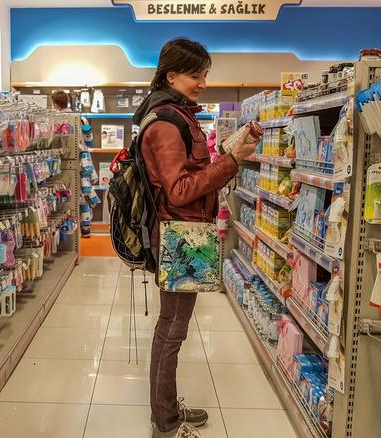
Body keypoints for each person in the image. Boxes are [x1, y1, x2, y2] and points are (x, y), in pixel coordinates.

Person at [133, 38, 262, 438]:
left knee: (171, 328)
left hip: (185, 230)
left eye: (205, 74)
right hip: (180, 234)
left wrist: (227, 153)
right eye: (196, 74)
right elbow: (181, 190)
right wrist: (232, 161)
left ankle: (166, 410)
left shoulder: (173, 114)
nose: (203, 82)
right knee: (172, 330)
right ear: (171, 75)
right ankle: (165, 422)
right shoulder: (168, 122)